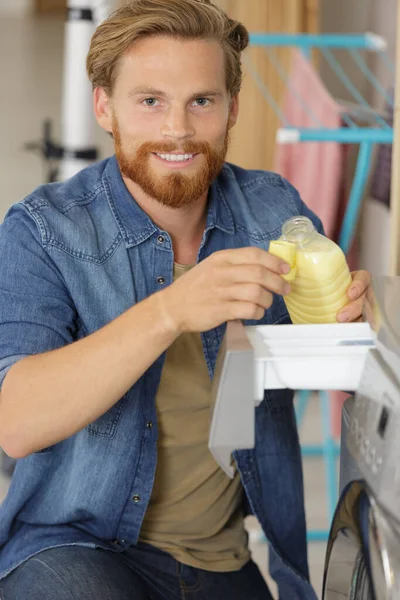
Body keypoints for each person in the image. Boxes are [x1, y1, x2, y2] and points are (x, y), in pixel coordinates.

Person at [0, 1, 370, 599]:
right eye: (150, 101)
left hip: (223, 562)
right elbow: (15, 422)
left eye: (202, 101)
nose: (178, 129)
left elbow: (329, 366)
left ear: (231, 110)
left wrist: (359, 324)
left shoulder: (274, 211)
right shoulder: (43, 232)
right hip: (75, 552)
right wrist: (171, 308)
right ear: (105, 107)